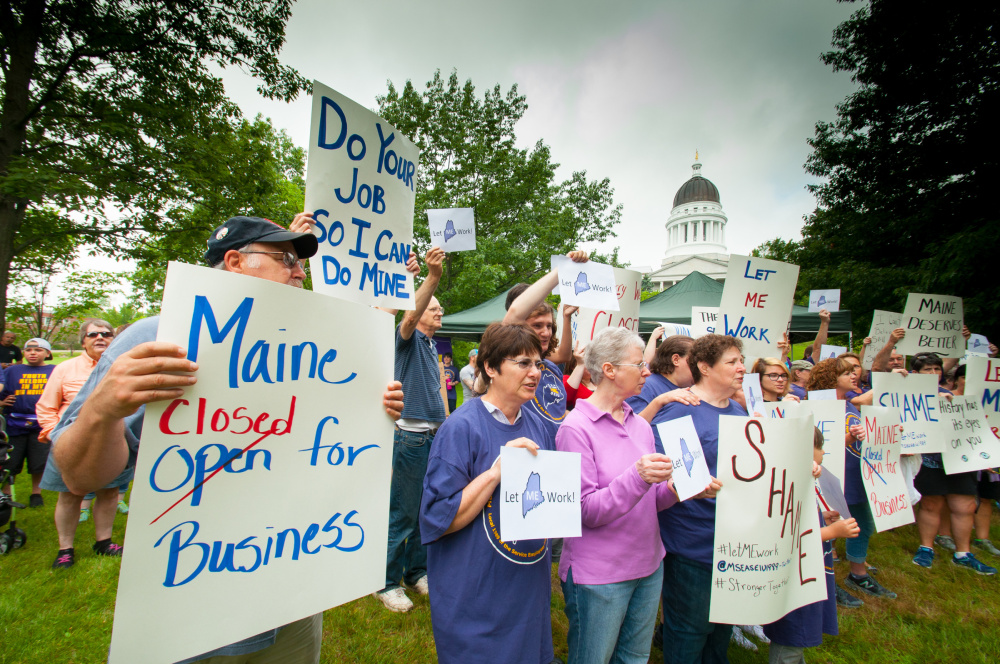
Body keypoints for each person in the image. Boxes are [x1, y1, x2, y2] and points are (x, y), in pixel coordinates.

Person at [47, 214, 406, 663]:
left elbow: (337, 457)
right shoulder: (158, 335)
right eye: (287, 259)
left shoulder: (322, 353)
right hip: (192, 602)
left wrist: (374, 416)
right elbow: (79, 475)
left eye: (300, 262)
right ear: (235, 261)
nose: (300, 272)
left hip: (292, 591)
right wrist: (103, 411)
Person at [556, 327, 719, 664]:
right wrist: (638, 476)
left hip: (648, 565)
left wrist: (678, 489)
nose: (648, 371)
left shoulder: (640, 425)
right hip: (600, 575)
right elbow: (585, 511)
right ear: (610, 370)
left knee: (634, 659)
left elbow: (650, 499)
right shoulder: (575, 429)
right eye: (638, 364)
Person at [419, 322, 559, 664]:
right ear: (491, 368)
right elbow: (438, 518)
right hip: (476, 595)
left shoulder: (537, 423)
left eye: (538, 364)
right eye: (523, 363)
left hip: (526, 590)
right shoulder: (461, 428)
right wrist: (496, 472)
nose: (535, 373)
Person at [650, 334, 747, 664]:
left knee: (720, 632)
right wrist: (689, 483)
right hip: (691, 545)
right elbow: (661, 472)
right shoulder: (680, 411)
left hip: (732, 542)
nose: (742, 368)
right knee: (689, 634)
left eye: (741, 361)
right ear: (704, 367)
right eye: (732, 362)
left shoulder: (738, 412)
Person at [374, 246, 447, 613]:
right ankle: (385, 582)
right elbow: (408, 316)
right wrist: (430, 277)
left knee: (424, 510)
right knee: (402, 512)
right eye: (434, 308)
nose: (439, 313)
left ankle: (416, 572)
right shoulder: (406, 338)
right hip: (410, 437)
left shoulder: (431, 346)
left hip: (431, 437)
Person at [763, 427, 860, 664]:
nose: (824, 451)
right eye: (820, 446)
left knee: (798, 639)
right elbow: (788, 536)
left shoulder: (800, 480)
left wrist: (822, 518)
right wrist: (831, 532)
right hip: (795, 580)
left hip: (807, 575)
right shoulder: (788, 485)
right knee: (791, 637)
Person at [806, 357, 895, 606]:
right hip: (830, 478)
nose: (854, 375)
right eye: (847, 373)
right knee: (830, 529)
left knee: (863, 524)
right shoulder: (815, 407)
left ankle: (858, 574)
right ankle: (824, 583)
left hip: (858, 475)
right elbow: (817, 447)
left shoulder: (848, 405)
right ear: (831, 378)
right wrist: (850, 437)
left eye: (854, 371)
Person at [37, 318, 123, 568]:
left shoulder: (120, 366)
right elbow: (46, 407)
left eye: (106, 334)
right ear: (83, 340)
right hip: (71, 442)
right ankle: (66, 548)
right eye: (93, 334)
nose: (100, 338)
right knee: (70, 494)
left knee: (109, 492)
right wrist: (55, 435)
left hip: (111, 442)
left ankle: (103, 542)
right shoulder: (65, 368)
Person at [909, 352, 996, 575]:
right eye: (927, 369)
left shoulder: (952, 396)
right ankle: (926, 548)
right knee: (930, 504)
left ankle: (963, 554)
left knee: (964, 506)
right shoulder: (908, 392)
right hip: (930, 460)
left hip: (959, 459)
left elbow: (972, 426)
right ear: (916, 373)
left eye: (936, 369)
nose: (933, 373)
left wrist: (983, 455)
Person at [501, 251, 588, 434]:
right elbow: (515, 314)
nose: (546, 332)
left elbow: (564, 355)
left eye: (549, 326)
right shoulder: (505, 358)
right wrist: (562, 270)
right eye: (537, 325)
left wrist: (566, 317)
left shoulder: (550, 366)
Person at [0, 338, 55, 506]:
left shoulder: (55, 371)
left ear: (47, 353)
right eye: (29, 350)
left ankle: (36, 493)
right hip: (15, 424)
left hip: (41, 424)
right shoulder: (12, 371)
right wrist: (2, 403)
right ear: (23, 352)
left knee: (39, 461)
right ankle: (6, 494)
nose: (32, 353)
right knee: (10, 460)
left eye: (38, 350)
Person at [626, 335, 699, 423]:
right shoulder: (644, 386)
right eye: (694, 361)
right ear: (675, 360)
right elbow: (631, 427)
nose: (699, 367)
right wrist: (659, 402)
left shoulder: (692, 389)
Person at [563, 342, 594, 409]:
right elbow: (565, 398)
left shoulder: (600, 381)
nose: (591, 365)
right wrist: (581, 364)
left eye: (592, 362)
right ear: (573, 366)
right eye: (586, 362)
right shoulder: (567, 379)